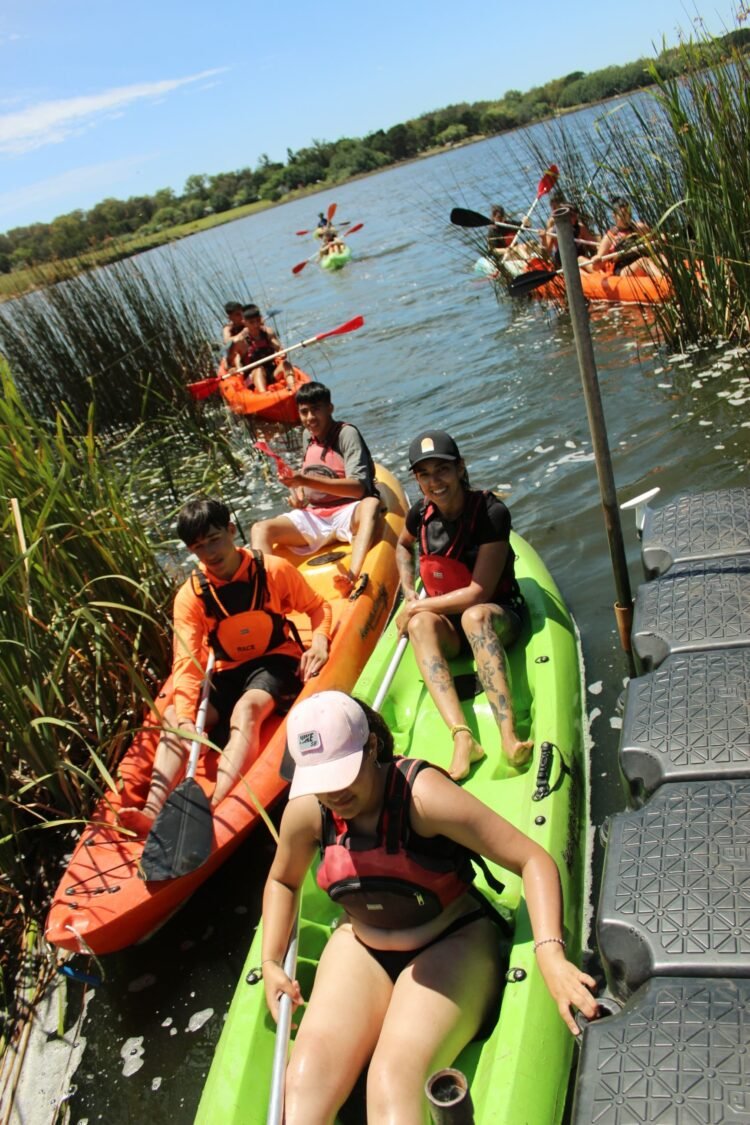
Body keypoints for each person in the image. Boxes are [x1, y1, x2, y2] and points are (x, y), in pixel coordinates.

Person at [261, 691, 598, 1124]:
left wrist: (550, 951)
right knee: (304, 1084)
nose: (333, 793)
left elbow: (531, 859)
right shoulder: (308, 811)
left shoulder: (422, 798)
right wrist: (272, 961)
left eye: (341, 774)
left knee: (392, 1080)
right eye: (320, 780)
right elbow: (281, 881)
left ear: (372, 748)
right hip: (361, 946)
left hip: (449, 940)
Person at [119, 497, 332, 832]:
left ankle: (215, 802)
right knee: (175, 716)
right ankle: (151, 808)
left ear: (232, 530)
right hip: (229, 669)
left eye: (215, 539)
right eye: (198, 547)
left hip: (275, 660)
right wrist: (189, 721)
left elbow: (318, 608)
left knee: (246, 709)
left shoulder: (273, 570)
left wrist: (319, 642)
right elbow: (186, 662)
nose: (210, 553)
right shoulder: (191, 595)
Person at [395, 430, 532, 781]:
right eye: (423, 474)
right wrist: (409, 591)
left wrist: (417, 606)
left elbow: (479, 592)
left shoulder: (491, 513)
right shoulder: (419, 515)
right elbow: (401, 545)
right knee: (420, 625)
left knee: (473, 616)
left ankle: (508, 736)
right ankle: (463, 737)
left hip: (498, 615)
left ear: (460, 468)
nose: (433, 481)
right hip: (451, 627)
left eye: (441, 469)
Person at [251, 382, 382, 597]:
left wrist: (304, 480)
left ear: (330, 408)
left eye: (316, 409)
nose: (310, 417)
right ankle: (269, 594)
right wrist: (299, 495)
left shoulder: (346, 434)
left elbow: (359, 489)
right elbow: (311, 475)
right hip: (315, 516)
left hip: (348, 513)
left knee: (371, 504)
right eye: (304, 412)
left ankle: (352, 576)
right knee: (260, 529)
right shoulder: (307, 435)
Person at [584, 197, 663, 279]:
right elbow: (598, 263)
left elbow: (655, 239)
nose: (627, 219)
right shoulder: (610, 236)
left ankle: (669, 279)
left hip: (643, 262)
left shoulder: (639, 227)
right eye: (623, 216)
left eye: (629, 215)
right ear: (614, 216)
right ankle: (664, 282)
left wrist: (662, 238)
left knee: (661, 257)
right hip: (623, 271)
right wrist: (596, 260)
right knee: (643, 262)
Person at [240, 304, 296, 392]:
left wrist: (281, 352)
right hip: (253, 376)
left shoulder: (268, 332)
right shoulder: (241, 340)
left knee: (286, 364)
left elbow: (278, 347)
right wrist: (235, 368)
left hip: (271, 372)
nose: (255, 325)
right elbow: (235, 361)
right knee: (258, 370)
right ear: (244, 322)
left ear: (261, 319)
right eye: (251, 322)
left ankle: (293, 387)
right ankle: (264, 394)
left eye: (258, 321)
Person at [541, 193, 598, 265]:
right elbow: (547, 253)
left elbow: (594, 244)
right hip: (565, 265)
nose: (574, 218)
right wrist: (543, 238)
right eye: (570, 216)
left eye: (574, 215)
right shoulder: (552, 231)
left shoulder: (580, 227)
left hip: (581, 262)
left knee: (580, 259)